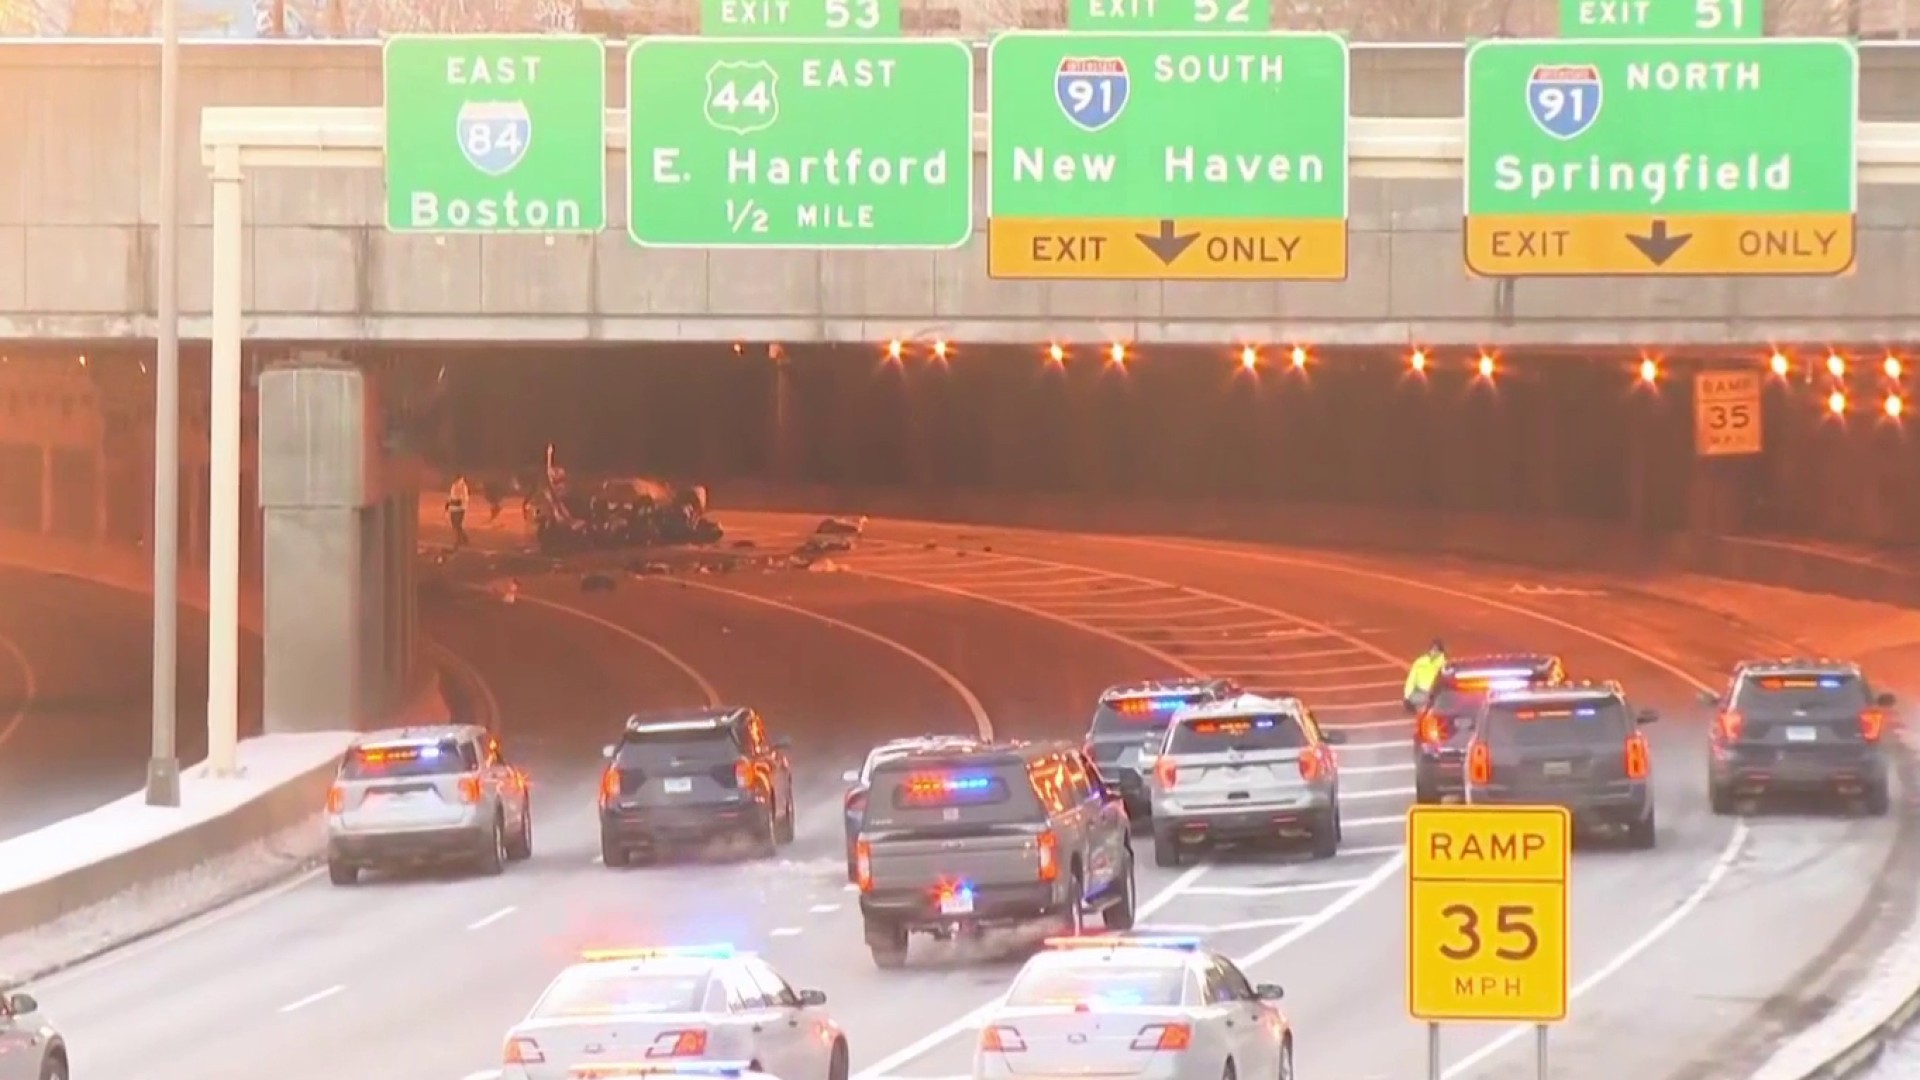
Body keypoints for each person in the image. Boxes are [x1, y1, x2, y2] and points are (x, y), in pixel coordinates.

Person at [1403, 639, 1447, 713]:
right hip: (1420, 691)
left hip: (1433, 693)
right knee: (1413, 699)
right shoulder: (1420, 662)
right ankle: (1425, 706)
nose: (1434, 652)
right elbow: (1411, 679)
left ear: (1440, 652)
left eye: (1436, 651)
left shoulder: (1443, 664)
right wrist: (1407, 695)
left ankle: (1426, 706)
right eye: (1433, 650)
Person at [447, 474, 470, 550]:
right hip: (453, 507)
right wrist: (448, 504)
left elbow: (464, 498)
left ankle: (459, 540)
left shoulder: (463, 486)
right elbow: (451, 496)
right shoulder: (454, 485)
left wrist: (460, 503)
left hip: (460, 508)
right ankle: (464, 538)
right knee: (455, 524)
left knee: (457, 524)